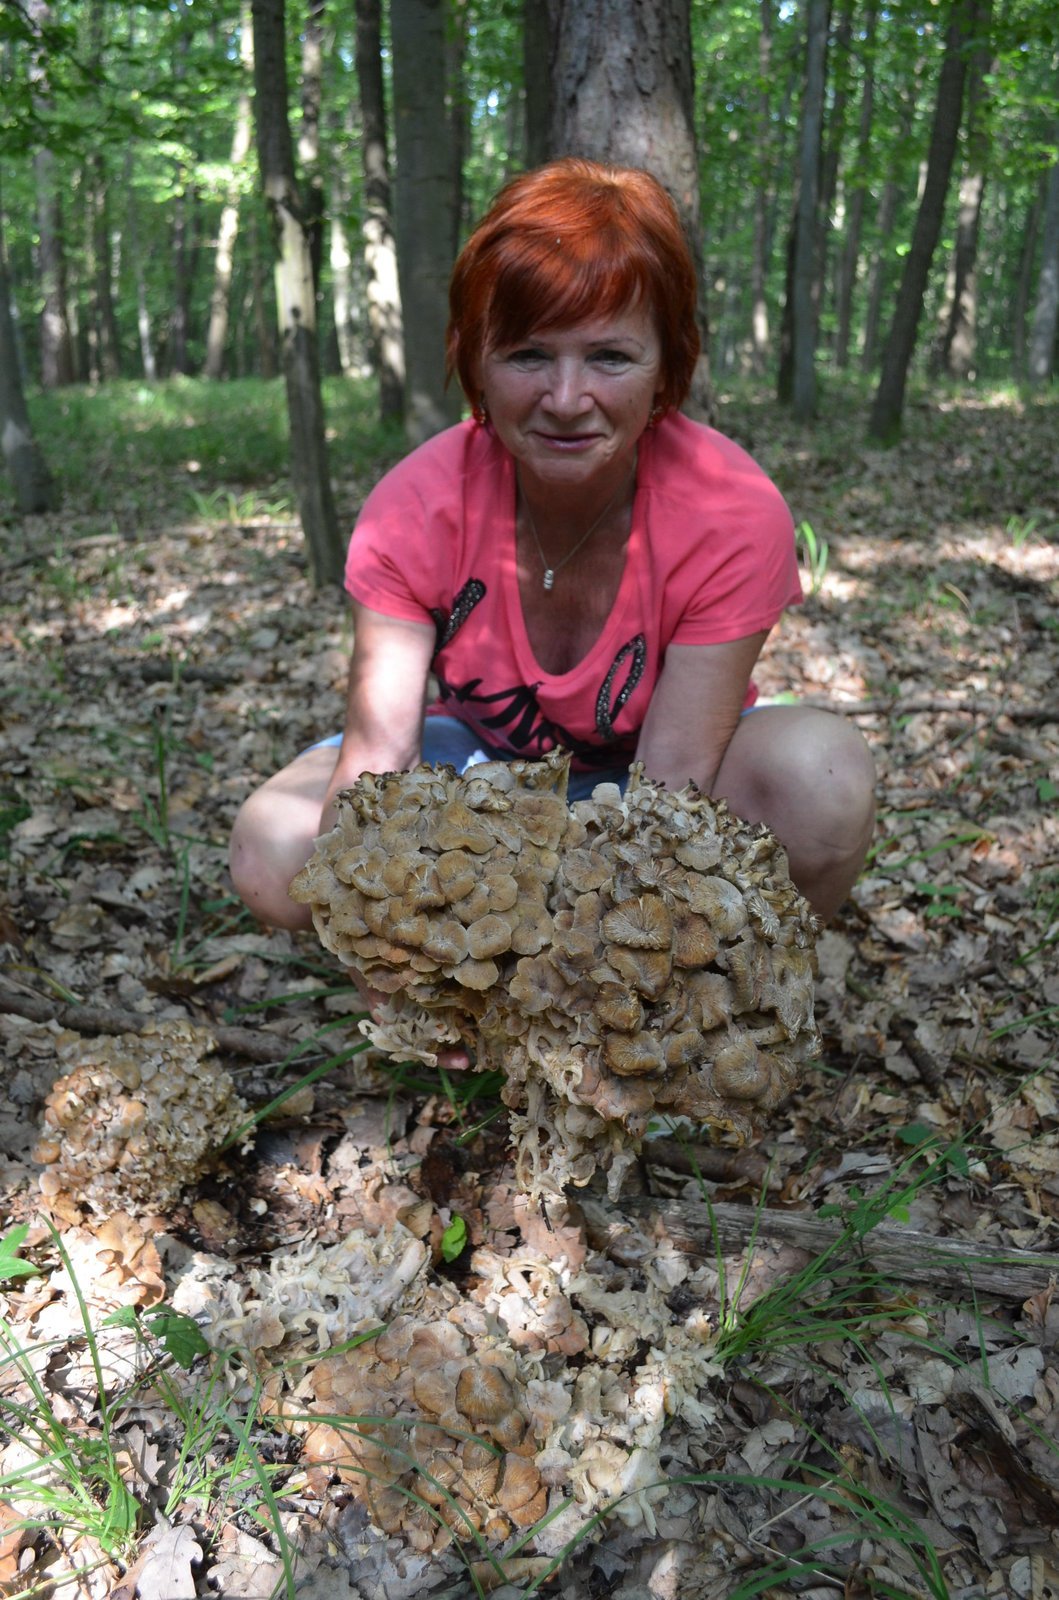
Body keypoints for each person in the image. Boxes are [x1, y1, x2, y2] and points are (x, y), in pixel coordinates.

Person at [229, 158, 875, 941]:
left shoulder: (730, 512)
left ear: (667, 364)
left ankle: (747, 1000)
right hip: (482, 763)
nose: (566, 401)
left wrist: (603, 990)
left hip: (677, 769)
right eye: (528, 354)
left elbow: (671, 792)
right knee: (275, 852)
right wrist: (379, 942)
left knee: (822, 776)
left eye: (609, 357)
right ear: (473, 358)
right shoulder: (412, 510)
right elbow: (378, 755)